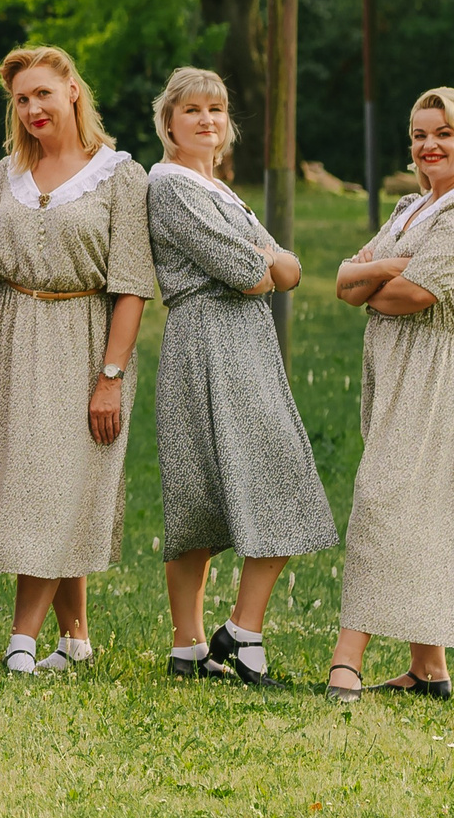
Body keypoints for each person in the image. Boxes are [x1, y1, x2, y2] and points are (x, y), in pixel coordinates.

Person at [145, 67, 338, 687]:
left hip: (249, 346)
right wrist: (266, 261)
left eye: (217, 109)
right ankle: (190, 647)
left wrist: (268, 263)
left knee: (281, 477)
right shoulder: (168, 187)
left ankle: (243, 632)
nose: (207, 119)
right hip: (202, 344)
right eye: (193, 110)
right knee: (199, 498)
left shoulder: (221, 191)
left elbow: (292, 270)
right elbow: (253, 271)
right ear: (169, 121)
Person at [0, 44, 154, 675]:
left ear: (73, 90)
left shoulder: (122, 174)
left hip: (83, 341)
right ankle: (74, 637)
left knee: (57, 482)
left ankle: (22, 638)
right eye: (21, 99)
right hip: (11, 338)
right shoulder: (7, 175)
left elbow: (131, 285)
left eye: (44, 92)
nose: (33, 108)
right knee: (39, 486)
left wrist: (111, 377)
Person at [326, 87, 454, 703]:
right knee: (415, 504)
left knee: (386, 498)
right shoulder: (411, 206)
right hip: (394, 366)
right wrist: (390, 266)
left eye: (443, 134)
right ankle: (429, 670)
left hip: (438, 368)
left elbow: (412, 296)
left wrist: (380, 272)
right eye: (419, 135)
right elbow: (346, 284)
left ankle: (346, 659)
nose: (429, 146)